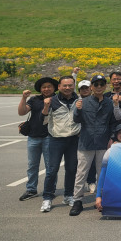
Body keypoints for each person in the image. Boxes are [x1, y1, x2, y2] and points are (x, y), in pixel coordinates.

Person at [70, 74, 121, 216]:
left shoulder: (109, 103)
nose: (99, 87)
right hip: (86, 142)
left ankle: (101, 198)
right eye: (96, 84)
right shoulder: (83, 102)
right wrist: (78, 109)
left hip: (102, 142)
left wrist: (112, 138)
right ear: (91, 87)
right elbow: (76, 120)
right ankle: (77, 201)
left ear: (105, 86)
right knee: (81, 173)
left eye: (102, 84)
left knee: (102, 172)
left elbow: (113, 122)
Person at [40, 75, 80, 213]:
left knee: (71, 169)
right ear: (59, 87)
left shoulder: (78, 100)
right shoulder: (52, 101)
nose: (67, 88)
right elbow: (43, 121)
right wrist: (46, 106)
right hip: (56, 140)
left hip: (73, 140)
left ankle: (68, 195)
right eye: (64, 85)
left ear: (74, 86)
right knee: (52, 170)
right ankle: (47, 197)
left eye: (70, 85)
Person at [17, 77, 58, 201]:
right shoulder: (34, 99)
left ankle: (50, 190)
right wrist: (24, 98)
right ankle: (31, 189)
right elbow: (22, 112)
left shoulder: (57, 99)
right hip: (33, 137)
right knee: (32, 166)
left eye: (49, 86)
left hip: (50, 137)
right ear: (40, 89)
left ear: (54, 88)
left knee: (50, 167)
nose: (46, 89)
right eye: (43, 87)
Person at [94, 123, 121, 212]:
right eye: (120, 132)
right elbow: (102, 175)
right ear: (116, 135)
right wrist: (98, 196)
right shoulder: (110, 152)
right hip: (116, 187)